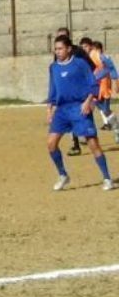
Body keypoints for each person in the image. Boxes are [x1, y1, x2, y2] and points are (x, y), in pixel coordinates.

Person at [46, 35, 113, 191]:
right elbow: (53, 90)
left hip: (79, 107)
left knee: (92, 143)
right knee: (51, 144)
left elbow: (93, 84)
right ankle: (63, 175)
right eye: (56, 49)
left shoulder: (80, 64)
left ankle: (107, 178)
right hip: (62, 110)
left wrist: (88, 101)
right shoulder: (53, 67)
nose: (58, 52)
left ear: (69, 49)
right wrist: (49, 109)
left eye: (61, 48)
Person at [57, 27, 93, 156]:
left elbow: (91, 66)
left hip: (81, 91)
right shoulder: (58, 54)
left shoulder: (79, 52)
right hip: (67, 92)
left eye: (63, 36)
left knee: (83, 117)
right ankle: (76, 144)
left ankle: (88, 138)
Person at [81, 38, 119, 142]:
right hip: (92, 89)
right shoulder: (83, 58)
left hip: (103, 87)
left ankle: (117, 130)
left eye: (86, 46)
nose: (84, 49)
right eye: (82, 47)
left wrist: (116, 82)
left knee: (106, 110)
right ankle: (87, 134)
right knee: (87, 109)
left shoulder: (98, 55)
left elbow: (109, 67)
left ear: (91, 46)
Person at [92, 41, 119, 132]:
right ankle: (108, 123)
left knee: (105, 108)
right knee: (100, 107)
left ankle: (115, 126)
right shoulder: (92, 58)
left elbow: (111, 70)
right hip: (97, 86)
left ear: (98, 49)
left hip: (103, 86)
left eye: (94, 49)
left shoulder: (103, 58)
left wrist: (116, 83)